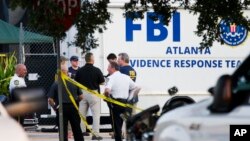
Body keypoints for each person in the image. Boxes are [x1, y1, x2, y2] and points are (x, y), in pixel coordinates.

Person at [48, 65, 84, 141]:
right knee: (76, 128)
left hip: (61, 108)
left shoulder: (56, 83)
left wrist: (55, 107)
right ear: (67, 72)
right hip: (73, 108)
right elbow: (81, 96)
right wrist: (76, 102)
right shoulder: (74, 82)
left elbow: (50, 100)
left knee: (62, 130)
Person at [104, 61, 137, 141]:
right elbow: (136, 87)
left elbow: (107, 90)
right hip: (125, 105)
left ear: (113, 68)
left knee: (117, 125)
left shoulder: (110, 78)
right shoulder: (126, 77)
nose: (107, 69)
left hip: (115, 105)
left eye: (108, 67)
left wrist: (106, 96)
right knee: (125, 123)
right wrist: (130, 98)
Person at [75, 52, 105, 140]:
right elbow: (102, 82)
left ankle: (82, 132)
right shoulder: (97, 70)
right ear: (92, 59)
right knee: (95, 115)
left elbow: (76, 82)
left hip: (82, 94)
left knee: (82, 114)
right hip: (94, 94)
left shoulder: (80, 70)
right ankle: (95, 135)